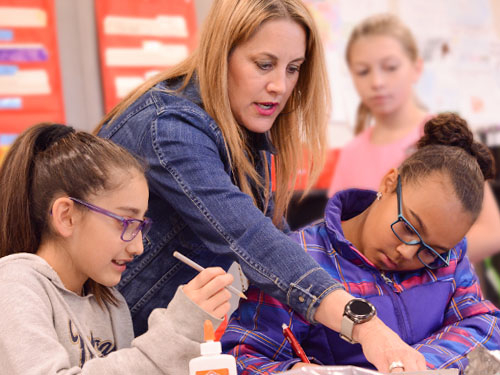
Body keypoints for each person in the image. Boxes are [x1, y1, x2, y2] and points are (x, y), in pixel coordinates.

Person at [94, 1, 426, 372]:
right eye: (264, 64)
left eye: (293, 68)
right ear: (222, 54)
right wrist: (367, 326)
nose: (279, 86)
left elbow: (284, 249)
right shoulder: (168, 128)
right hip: (117, 355)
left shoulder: (246, 129)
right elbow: (252, 241)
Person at [221, 113, 500, 374]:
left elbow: (484, 325)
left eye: (431, 251)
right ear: (389, 183)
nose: (407, 251)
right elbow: (244, 356)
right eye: (407, 226)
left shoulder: (448, 258)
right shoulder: (298, 258)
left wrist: (414, 362)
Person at [0, 123, 235, 374]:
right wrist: (177, 331)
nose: (138, 247)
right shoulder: (14, 285)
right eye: (126, 222)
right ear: (67, 216)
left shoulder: (111, 304)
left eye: (141, 225)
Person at [328, 13, 500, 264]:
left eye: (390, 67)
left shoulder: (446, 140)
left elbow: (492, 232)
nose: (377, 82)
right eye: (363, 71)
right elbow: (336, 232)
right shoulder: (351, 153)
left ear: (416, 67)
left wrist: (422, 266)